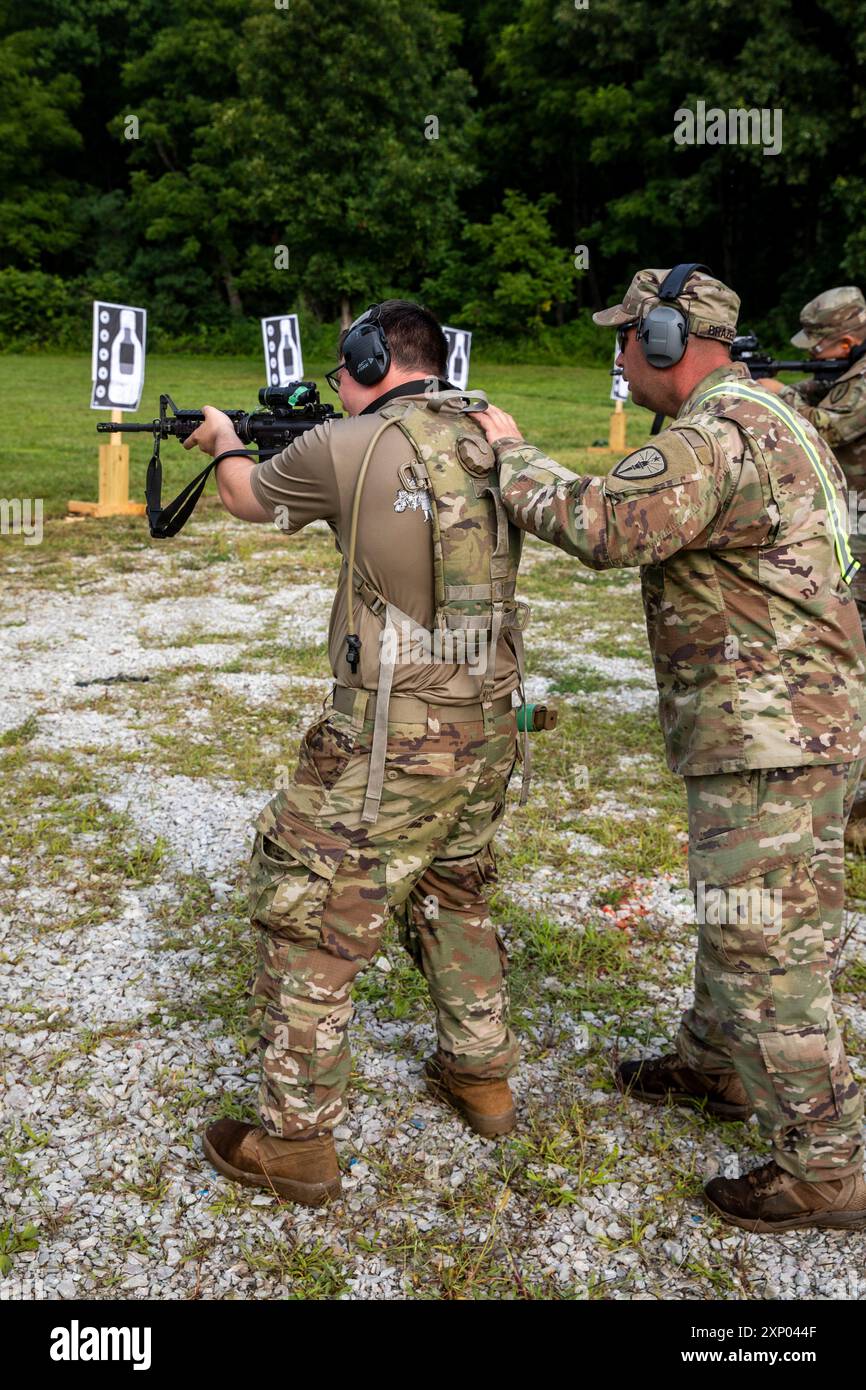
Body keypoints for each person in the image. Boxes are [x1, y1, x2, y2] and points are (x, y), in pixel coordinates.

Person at [477, 265, 866, 1233]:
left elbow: (603, 523)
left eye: (625, 338)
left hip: (768, 733)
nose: (616, 356)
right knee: (748, 912)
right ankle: (711, 1062)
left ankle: (825, 1165)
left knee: (765, 949)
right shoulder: (766, 411)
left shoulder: (715, 436)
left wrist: (510, 455)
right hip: (801, 725)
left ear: (663, 339)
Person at [182, 300, 528, 1207]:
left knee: (312, 914)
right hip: (492, 722)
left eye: (344, 372)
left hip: (390, 734)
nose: (337, 386)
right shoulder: (494, 431)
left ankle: (295, 1143)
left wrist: (225, 441)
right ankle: (482, 1076)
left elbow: (248, 498)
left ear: (371, 361)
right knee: (456, 889)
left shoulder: (344, 445)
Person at [756, 287, 866, 848]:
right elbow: (811, 391)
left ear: (844, 342)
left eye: (820, 346)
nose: (815, 356)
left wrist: (778, 398)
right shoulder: (841, 375)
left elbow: (825, 427)